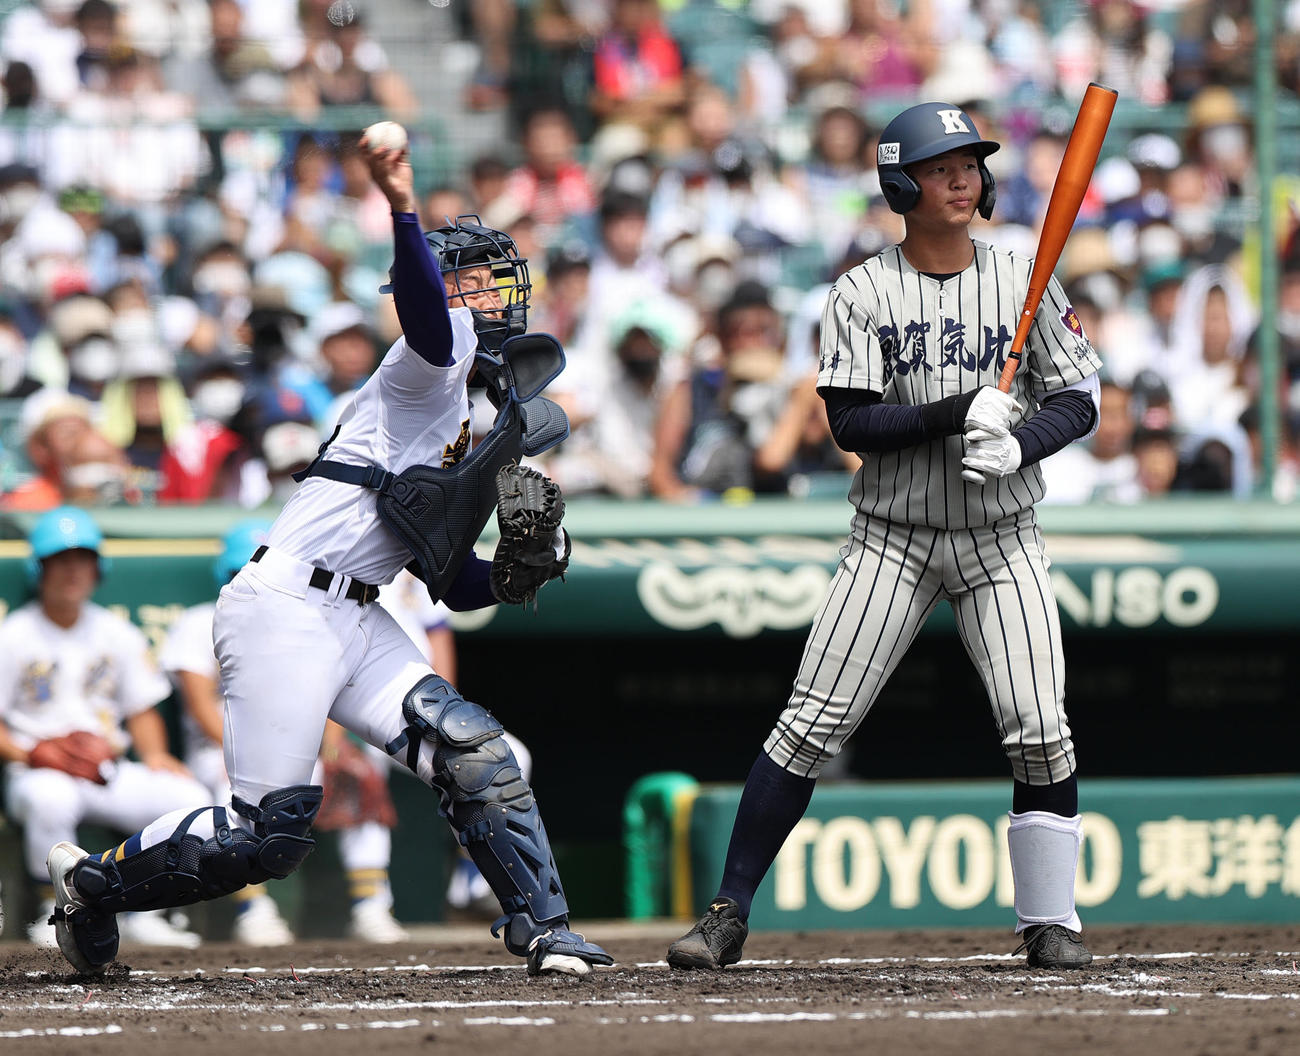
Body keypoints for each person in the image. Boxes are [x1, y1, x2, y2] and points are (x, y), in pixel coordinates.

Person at [44, 128, 612, 978]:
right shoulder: (430, 361)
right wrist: (401, 207)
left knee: (474, 751)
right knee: (268, 835)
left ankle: (545, 927)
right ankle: (92, 888)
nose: (492, 293)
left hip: (358, 613)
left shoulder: (473, 423)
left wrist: (522, 572)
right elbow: (425, 310)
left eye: (495, 279)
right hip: (285, 607)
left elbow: (453, 586)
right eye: (475, 278)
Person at [666, 101, 1103, 973]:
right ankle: (728, 911)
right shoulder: (862, 291)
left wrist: (1021, 439)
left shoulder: (1024, 274)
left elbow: (1079, 398)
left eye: (970, 166)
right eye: (943, 167)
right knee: (810, 723)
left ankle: (1050, 919)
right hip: (891, 539)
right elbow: (852, 423)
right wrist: (954, 414)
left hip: (1001, 535)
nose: (961, 179)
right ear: (902, 182)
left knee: (1039, 726)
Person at [0, 506, 209, 950]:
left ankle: (147, 910)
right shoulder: (13, 635)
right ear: (40, 568)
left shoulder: (116, 631)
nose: (73, 571)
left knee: (187, 799)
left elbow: (142, 708)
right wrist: (32, 753)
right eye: (61, 560)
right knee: (47, 796)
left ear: (98, 568)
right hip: (40, 768)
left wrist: (154, 755)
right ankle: (55, 913)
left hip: (106, 769)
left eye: (83, 560)